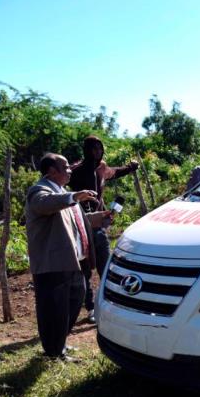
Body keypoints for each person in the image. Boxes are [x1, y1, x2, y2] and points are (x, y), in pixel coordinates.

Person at [25, 153, 109, 361]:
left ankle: (59, 342)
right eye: (66, 167)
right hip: (52, 262)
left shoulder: (62, 193)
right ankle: (53, 351)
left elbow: (74, 221)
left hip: (71, 261)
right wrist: (73, 197)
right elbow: (43, 205)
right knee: (53, 308)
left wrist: (98, 218)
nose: (71, 170)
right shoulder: (40, 191)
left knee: (75, 298)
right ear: (52, 171)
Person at [68, 135, 139, 323]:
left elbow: (114, 172)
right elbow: (62, 188)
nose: (97, 152)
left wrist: (130, 168)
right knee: (84, 269)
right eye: (93, 149)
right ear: (86, 150)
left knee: (105, 265)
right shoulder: (75, 170)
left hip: (99, 226)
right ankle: (90, 308)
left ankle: (111, 303)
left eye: (100, 149)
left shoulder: (101, 168)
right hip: (80, 226)